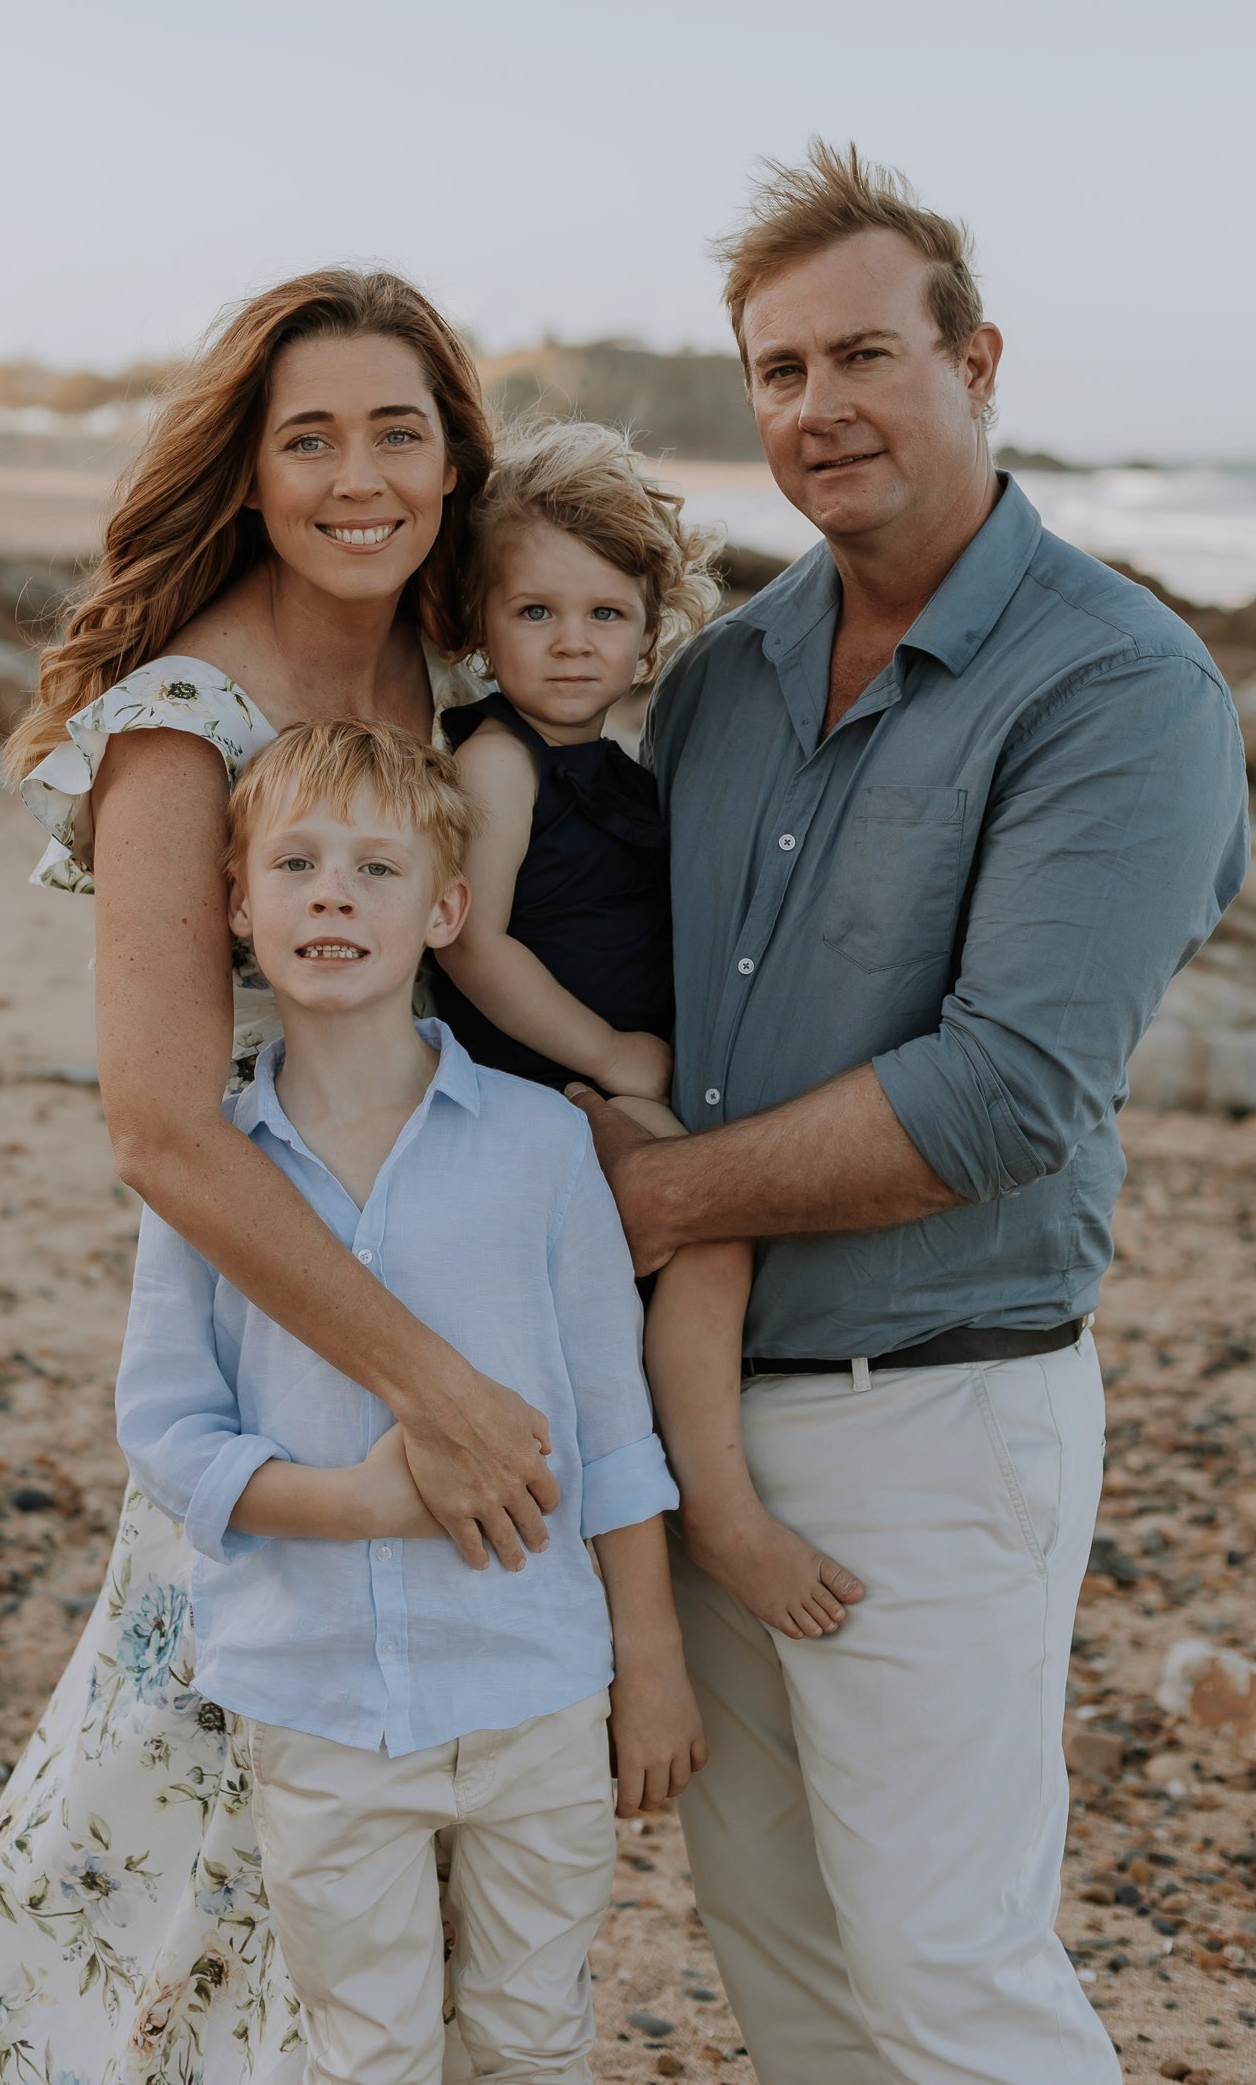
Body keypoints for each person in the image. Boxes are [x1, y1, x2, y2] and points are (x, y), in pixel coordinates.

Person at [574, 143, 1251, 2085]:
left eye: (864, 351)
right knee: (783, 1957)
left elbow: (1008, 1089)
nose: (815, 408)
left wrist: (650, 1198)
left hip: (936, 1418)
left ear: (979, 360)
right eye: (776, 371)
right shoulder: (713, 683)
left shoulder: (1121, 685)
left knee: (953, 1972)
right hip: (693, 1431)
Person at [0, 272, 559, 2084]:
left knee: (402, 1870)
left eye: (396, 432)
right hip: (274, 1321)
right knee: (182, 1794)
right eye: (306, 437)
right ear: (248, 478)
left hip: (458, 1267)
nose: (357, 475)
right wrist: (442, 1392)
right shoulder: (182, 724)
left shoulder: (462, 674)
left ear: (450, 459)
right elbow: (161, 1127)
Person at [118, 716, 702, 2084]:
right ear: (235, 903)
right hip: (316, 1702)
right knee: (366, 2046)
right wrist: (354, 1502)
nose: (333, 893)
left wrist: (654, 1665)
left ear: (446, 910)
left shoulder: (544, 1147)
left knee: (531, 2036)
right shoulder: (210, 1166)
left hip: (536, 1690)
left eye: (378, 870)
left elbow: (613, 1428)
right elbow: (166, 1430)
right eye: (298, 863)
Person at [431, 418, 863, 1641]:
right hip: (537, 1076)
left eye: (606, 615)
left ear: (650, 627)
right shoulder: (500, 762)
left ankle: (669, 1473)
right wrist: (608, 1056)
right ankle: (718, 1510)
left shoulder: (624, 761)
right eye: (536, 614)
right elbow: (473, 939)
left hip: (595, 1070)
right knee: (711, 1231)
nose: (573, 643)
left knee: (696, 1258)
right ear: (479, 619)